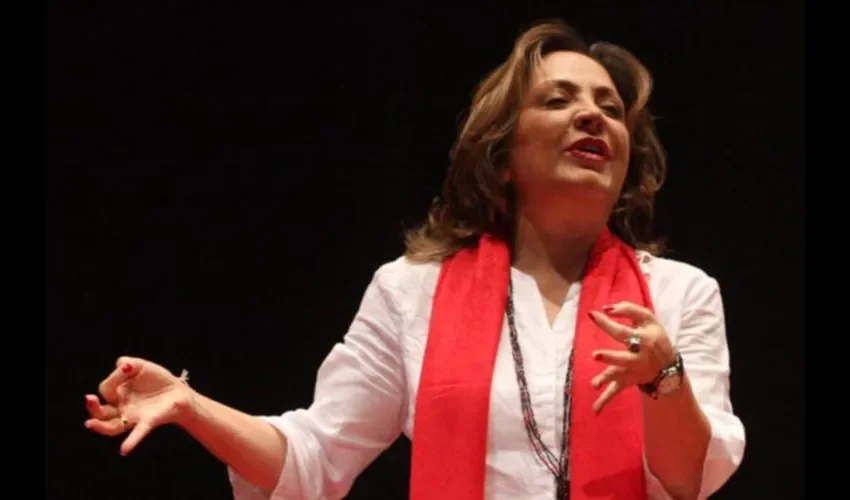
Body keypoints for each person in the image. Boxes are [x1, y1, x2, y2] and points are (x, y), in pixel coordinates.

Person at [83, 19, 745, 500]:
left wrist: (664, 378)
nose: (592, 117)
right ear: (502, 155)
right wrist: (192, 407)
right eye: (558, 100)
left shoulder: (680, 295)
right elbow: (315, 456)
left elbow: (690, 479)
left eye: (611, 109)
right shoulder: (411, 292)